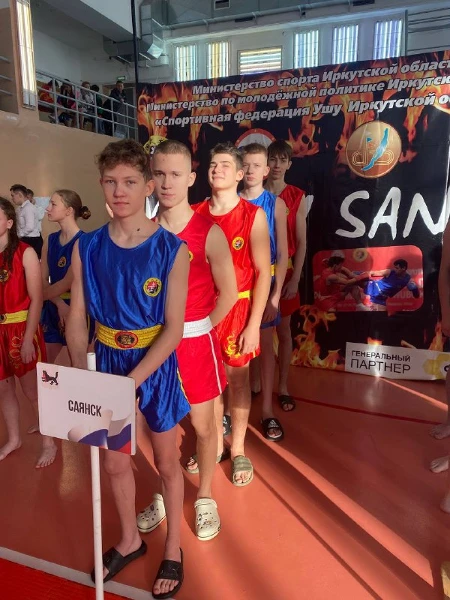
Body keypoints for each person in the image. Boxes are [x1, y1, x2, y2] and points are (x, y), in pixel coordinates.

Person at [66, 139, 189, 598]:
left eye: (130, 182)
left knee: (166, 462)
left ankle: (173, 547)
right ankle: (130, 540)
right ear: (101, 185)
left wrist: (131, 382)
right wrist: (81, 376)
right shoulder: (87, 247)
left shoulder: (172, 250)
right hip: (105, 360)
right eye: (111, 182)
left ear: (148, 186)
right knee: (115, 462)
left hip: (153, 365)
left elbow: (173, 330)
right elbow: (78, 316)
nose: (119, 191)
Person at [136, 140, 237, 540]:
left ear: (191, 178)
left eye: (175, 174)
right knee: (156, 425)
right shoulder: (142, 231)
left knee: (202, 425)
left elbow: (229, 293)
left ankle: (205, 496)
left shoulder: (208, 233)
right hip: (150, 341)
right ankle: (167, 488)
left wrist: (200, 328)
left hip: (195, 341)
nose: (166, 183)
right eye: (159, 174)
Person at [194, 142, 271, 486]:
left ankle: (238, 448)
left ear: (240, 174)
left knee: (238, 382)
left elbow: (263, 273)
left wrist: (254, 325)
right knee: (207, 384)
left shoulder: (253, 215)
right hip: (201, 310)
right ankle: (212, 444)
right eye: (213, 164)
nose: (217, 169)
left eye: (225, 164)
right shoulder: (193, 213)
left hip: (238, 309)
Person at [0, 197, 56, 468]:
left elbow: (36, 299)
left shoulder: (25, 252)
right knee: (4, 389)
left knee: (32, 391)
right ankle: (14, 439)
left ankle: (49, 442)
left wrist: (27, 339)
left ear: (9, 223)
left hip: (21, 328)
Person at [240, 143, 288, 442]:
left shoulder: (275, 204)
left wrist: (275, 296)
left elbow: (282, 254)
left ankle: (268, 410)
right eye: (245, 164)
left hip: (266, 282)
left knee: (266, 348)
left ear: (266, 170)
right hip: (236, 287)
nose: (250, 170)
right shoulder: (229, 202)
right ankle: (231, 412)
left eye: (256, 165)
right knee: (234, 350)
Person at [266, 140, 307, 412]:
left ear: (289, 164)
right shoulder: (253, 194)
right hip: (258, 273)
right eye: (273, 159)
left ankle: (282, 386)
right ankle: (256, 383)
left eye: (283, 160)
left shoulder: (296, 196)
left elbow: (301, 243)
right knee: (258, 333)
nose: (277, 165)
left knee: (283, 331)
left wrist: (295, 279)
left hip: (287, 272)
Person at [10, 184, 43, 259]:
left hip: (31, 240)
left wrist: (18, 235)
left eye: (13, 195)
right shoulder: (20, 209)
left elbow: (29, 227)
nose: (12, 198)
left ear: (19, 195)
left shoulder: (28, 208)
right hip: (25, 238)